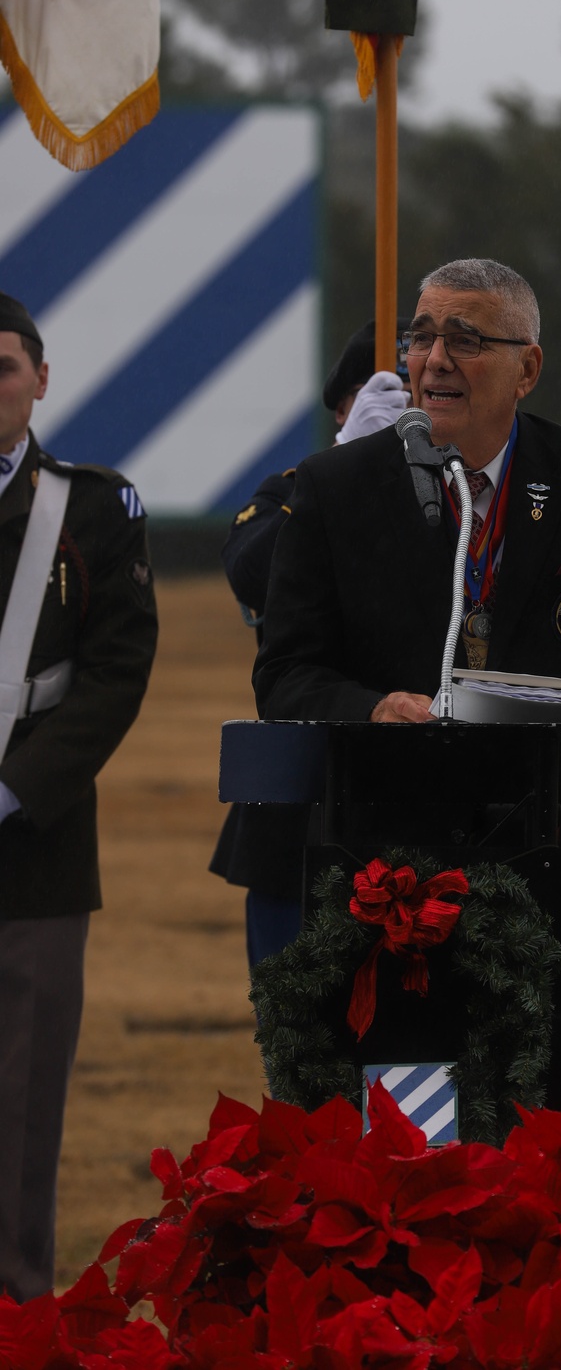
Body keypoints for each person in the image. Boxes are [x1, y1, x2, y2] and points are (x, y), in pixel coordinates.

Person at [252, 257, 561, 1105]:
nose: (433, 361)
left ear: (527, 367)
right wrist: (370, 709)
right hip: (380, 874)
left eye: (465, 339)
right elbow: (286, 674)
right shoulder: (335, 487)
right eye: (421, 337)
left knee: (548, 1137)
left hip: (559, 868)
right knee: (401, 1145)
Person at [0, 292, 158, 1301]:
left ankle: (14, 1308)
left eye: (3, 367)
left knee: (20, 1097)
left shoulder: (93, 508)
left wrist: (16, 791)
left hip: (34, 849)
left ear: (41, 379)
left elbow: (115, 668)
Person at [209, 320, 409, 970]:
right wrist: (349, 459)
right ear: (344, 408)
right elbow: (251, 569)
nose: (404, 402)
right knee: (300, 1042)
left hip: (419, 801)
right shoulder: (287, 494)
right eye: (383, 391)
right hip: (300, 806)